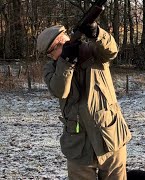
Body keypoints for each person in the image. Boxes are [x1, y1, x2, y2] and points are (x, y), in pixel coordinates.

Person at [37, 22, 131, 180]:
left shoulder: (94, 52)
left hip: (110, 137)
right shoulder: (52, 69)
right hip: (78, 146)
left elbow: (112, 50)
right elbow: (60, 90)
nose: (51, 57)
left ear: (63, 41)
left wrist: (97, 33)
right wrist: (66, 62)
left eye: (52, 51)